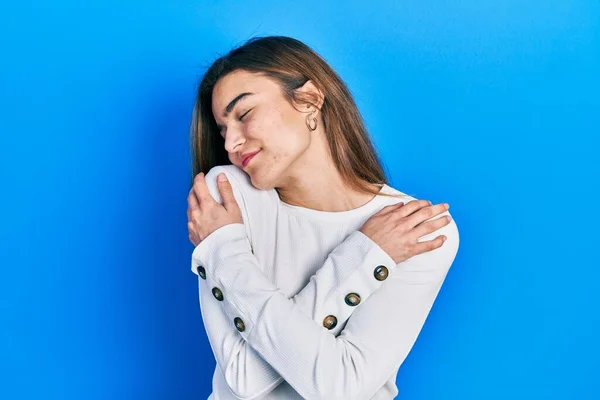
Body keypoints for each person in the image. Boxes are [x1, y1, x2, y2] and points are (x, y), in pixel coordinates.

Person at [186, 36, 460, 400]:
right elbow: (245, 377)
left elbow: (340, 388)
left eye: (244, 114)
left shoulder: (415, 229)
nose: (231, 143)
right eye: (223, 129)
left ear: (310, 99)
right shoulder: (228, 197)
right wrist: (365, 258)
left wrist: (225, 254)